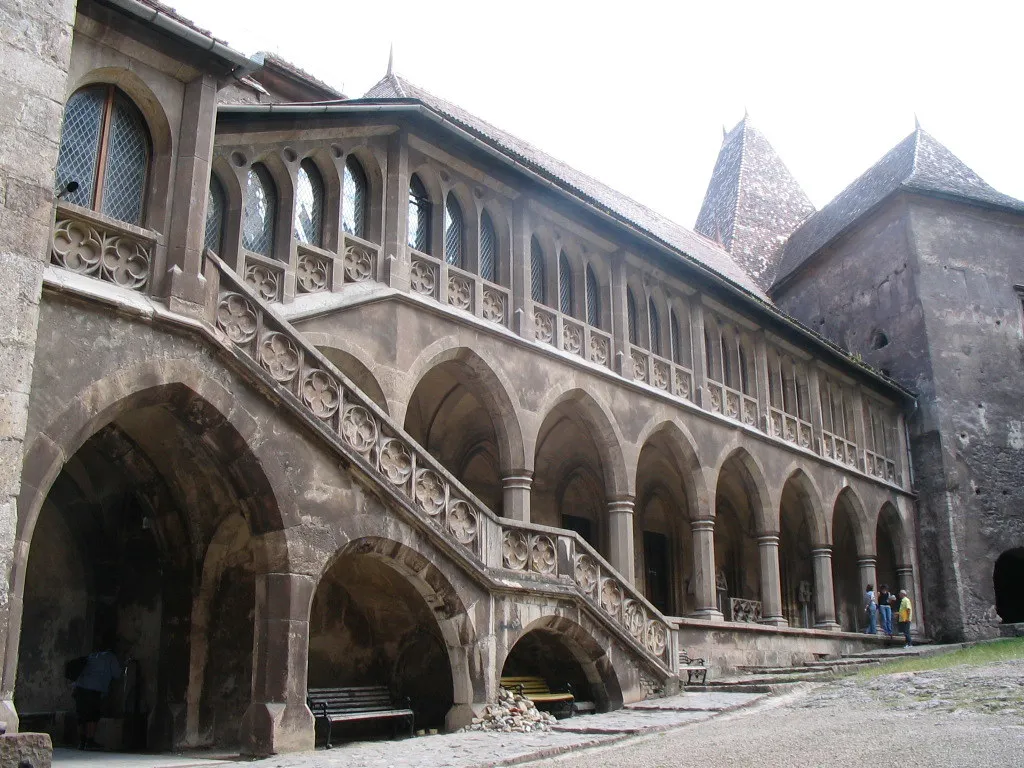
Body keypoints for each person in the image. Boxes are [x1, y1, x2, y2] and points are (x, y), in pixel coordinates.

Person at [72, 644, 124, 750]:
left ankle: (81, 742)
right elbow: (117, 674)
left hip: (79, 687)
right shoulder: (111, 657)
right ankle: (89, 742)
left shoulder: (92, 655)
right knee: (92, 715)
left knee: (81, 716)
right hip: (94, 689)